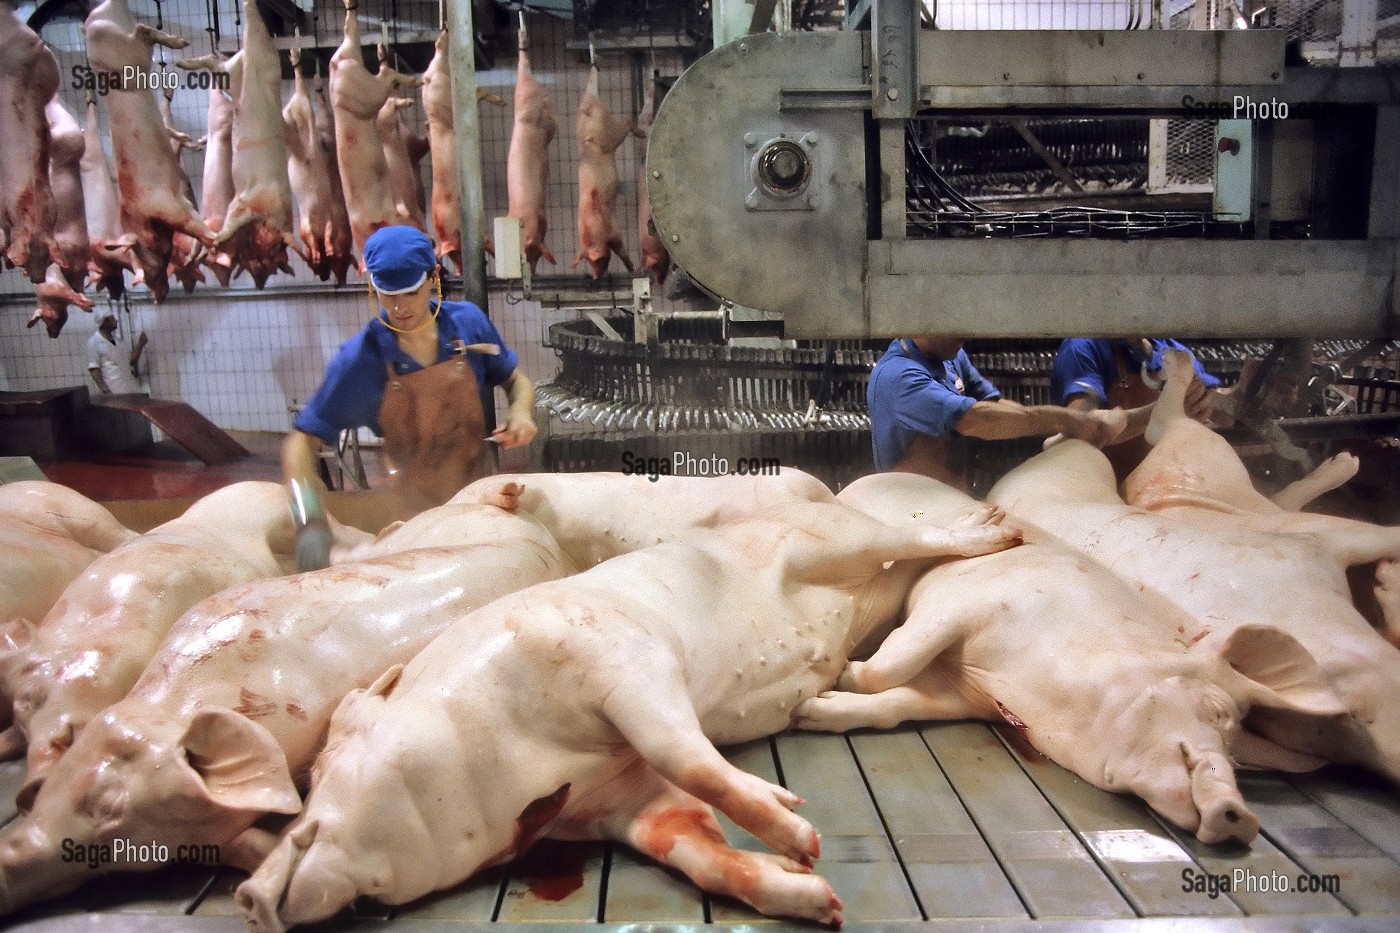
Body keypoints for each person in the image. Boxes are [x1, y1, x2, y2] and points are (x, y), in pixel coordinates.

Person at [283, 226, 537, 567]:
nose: (400, 307)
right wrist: (309, 522)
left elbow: (517, 383)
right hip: (415, 525)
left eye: (411, 292)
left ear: (433, 278)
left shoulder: (468, 325)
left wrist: (521, 412)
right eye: (387, 295)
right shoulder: (362, 359)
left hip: (485, 504)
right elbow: (300, 444)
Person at [868, 336, 1125, 487]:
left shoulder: (951, 356)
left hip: (951, 497)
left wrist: (1069, 427)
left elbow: (993, 403)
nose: (965, 332)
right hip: (911, 508)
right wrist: (1064, 420)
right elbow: (977, 419)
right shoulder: (898, 376)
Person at [1051, 337, 1221, 481]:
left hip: (1160, 488)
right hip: (1101, 494)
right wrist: (1160, 412)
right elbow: (1082, 429)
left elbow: (1219, 411)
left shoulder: (1174, 351)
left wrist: (1211, 400)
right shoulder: (1082, 347)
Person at [86, 310, 147, 395]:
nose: (116, 320)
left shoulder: (118, 340)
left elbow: (130, 361)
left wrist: (140, 344)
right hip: (113, 391)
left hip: (129, 388)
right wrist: (106, 391)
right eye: (112, 319)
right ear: (105, 323)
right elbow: (94, 370)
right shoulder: (94, 342)